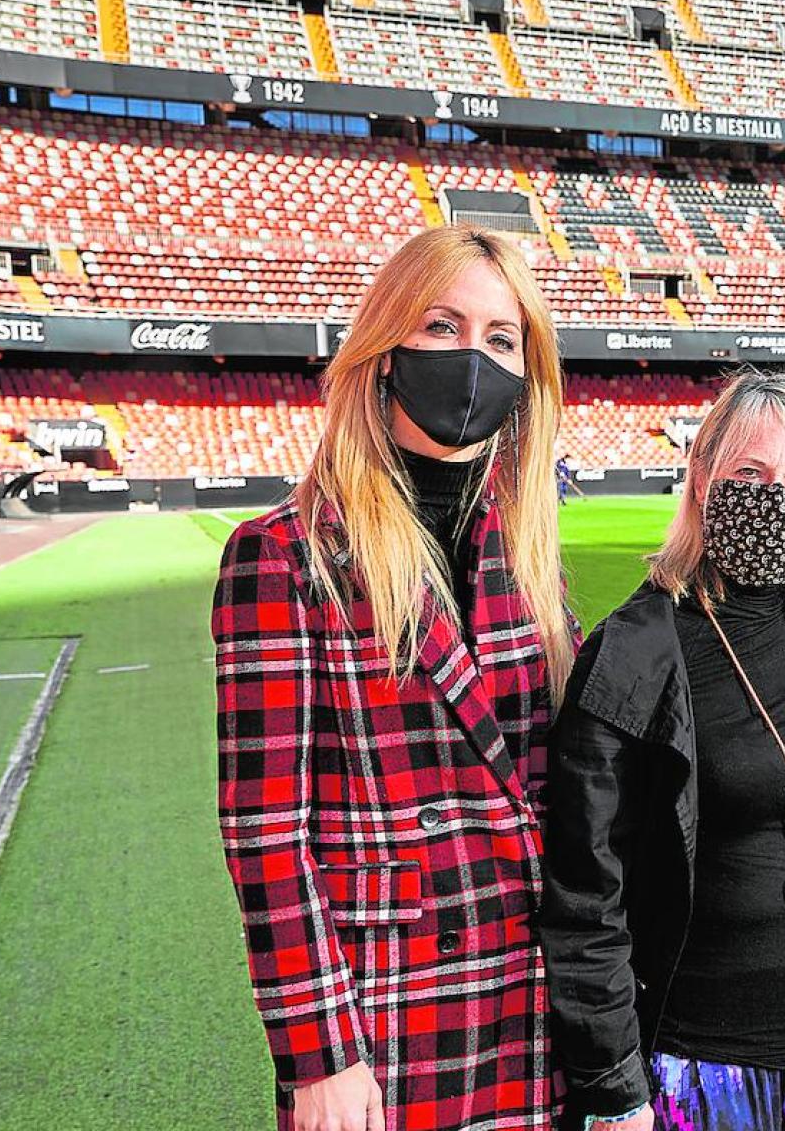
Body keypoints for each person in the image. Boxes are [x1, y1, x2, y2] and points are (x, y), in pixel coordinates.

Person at [211, 226, 577, 1131]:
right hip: (390, 1011)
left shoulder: (527, 551)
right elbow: (266, 836)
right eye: (441, 327)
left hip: (543, 995)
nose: (471, 360)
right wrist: (319, 1055)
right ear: (383, 352)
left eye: (500, 340)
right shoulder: (285, 554)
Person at [540, 369, 785, 1131]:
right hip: (695, 1065)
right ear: (700, 480)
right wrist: (614, 1088)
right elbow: (584, 893)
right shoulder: (635, 654)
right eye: (750, 473)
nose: (776, 496)